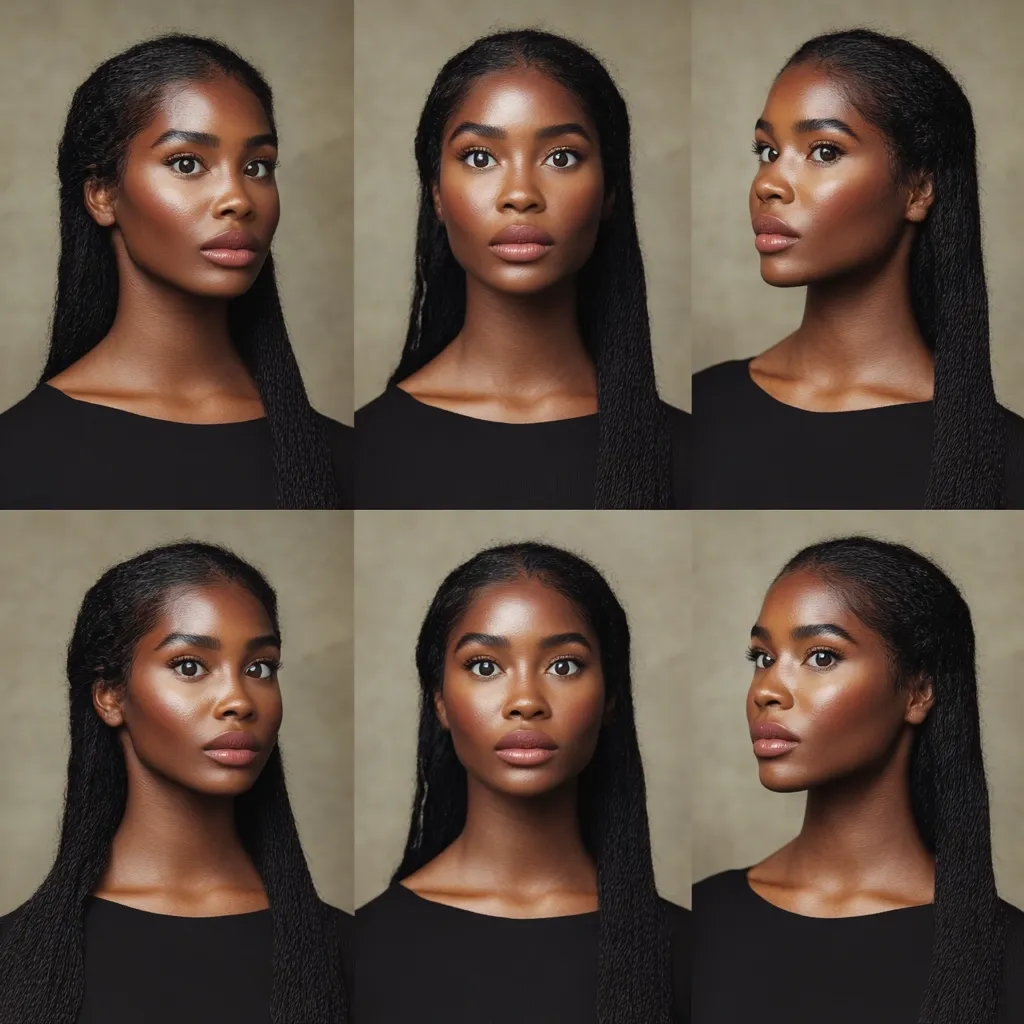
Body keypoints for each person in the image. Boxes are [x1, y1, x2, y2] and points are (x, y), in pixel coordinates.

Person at [0, 542, 349, 1024]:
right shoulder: (15, 963)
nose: (238, 700)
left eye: (259, 668)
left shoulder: (351, 954)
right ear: (109, 696)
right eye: (190, 666)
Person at [0, 35, 350, 510]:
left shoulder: (345, 458)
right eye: (187, 163)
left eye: (258, 167)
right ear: (102, 194)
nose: (238, 199)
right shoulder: (19, 456)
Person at [693, 536, 1024, 1023]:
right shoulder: (700, 921)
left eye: (821, 657)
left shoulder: (1007, 955)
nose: (767, 689)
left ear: (918, 690)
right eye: (763, 657)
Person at [356, 542, 689, 1023]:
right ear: (440, 701)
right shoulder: (359, 949)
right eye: (485, 667)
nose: (526, 701)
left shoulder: (690, 952)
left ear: (611, 696)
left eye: (564, 665)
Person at [356, 30, 689, 510]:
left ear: (610, 191)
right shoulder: (359, 453)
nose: (520, 194)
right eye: (479, 157)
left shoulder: (693, 455)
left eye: (561, 157)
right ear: (436, 192)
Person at [692, 29, 1024, 509]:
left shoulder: (1006, 460)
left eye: (824, 151)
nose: (770, 184)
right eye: (767, 151)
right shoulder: (701, 408)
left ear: (918, 190)